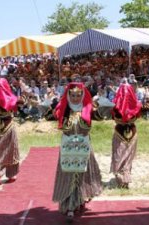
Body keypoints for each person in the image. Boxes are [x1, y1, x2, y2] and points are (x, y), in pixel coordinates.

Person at [52, 82, 102, 222]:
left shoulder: (89, 108)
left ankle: (80, 199)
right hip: (68, 149)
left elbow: (101, 116)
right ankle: (69, 206)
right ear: (68, 95)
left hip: (84, 147)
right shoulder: (63, 109)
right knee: (68, 176)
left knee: (82, 175)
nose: (75, 98)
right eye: (72, 95)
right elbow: (51, 115)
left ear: (82, 95)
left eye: (78, 95)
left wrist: (101, 104)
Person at [110, 83, 142, 188]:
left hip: (130, 133)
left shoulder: (136, 105)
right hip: (122, 132)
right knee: (119, 155)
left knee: (127, 156)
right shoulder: (114, 106)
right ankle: (121, 176)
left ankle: (125, 177)